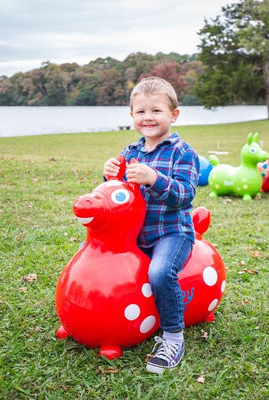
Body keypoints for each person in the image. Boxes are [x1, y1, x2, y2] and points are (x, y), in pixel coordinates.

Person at [103, 77, 200, 374]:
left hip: (171, 233)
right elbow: (119, 198)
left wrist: (154, 179)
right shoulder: (129, 152)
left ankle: (173, 337)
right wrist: (110, 177)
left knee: (159, 272)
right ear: (131, 115)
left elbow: (184, 196)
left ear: (174, 115)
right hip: (134, 236)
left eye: (156, 110)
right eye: (141, 111)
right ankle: (107, 319)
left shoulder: (183, 152)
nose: (148, 117)